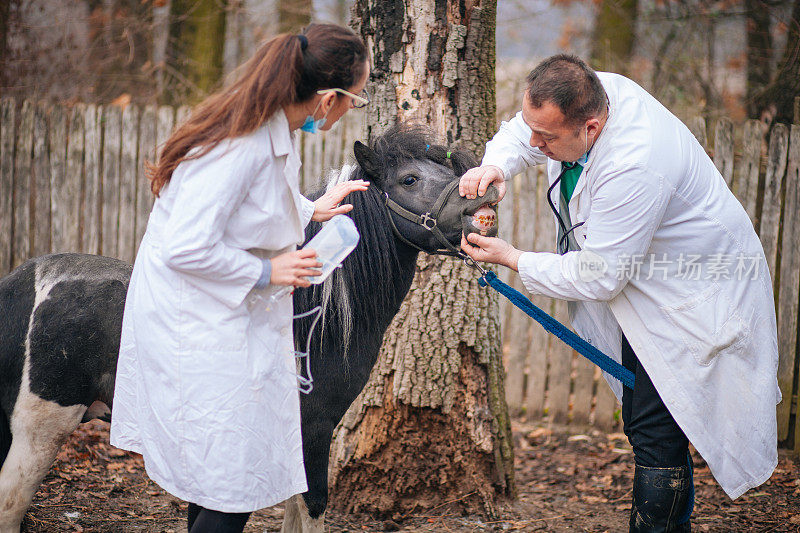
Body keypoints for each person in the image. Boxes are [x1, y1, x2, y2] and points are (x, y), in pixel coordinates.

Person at [460, 54, 779, 532]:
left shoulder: (636, 161)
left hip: (690, 291)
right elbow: (520, 133)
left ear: (590, 127)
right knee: (649, 422)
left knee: (654, 430)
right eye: (534, 127)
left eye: (547, 138)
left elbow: (600, 276)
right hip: (643, 283)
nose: (534, 143)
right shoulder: (588, 92)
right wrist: (497, 165)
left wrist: (513, 258)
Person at [109, 24, 370, 533]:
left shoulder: (270, 128)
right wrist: (268, 269)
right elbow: (186, 245)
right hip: (198, 323)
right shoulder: (243, 143)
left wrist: (309, 210)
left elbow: (251, 202)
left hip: (222, 317)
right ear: (327, 98)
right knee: (231, 484)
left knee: (221, 477)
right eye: (354, 101)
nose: (349, 111)